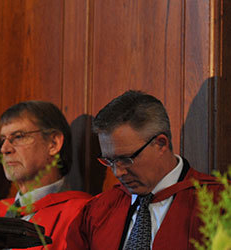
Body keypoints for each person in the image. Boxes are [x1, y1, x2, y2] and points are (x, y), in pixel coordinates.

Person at [66, 90, 221, 249]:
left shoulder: (219, 202)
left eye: (126, 159)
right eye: (109, 161)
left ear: (161, 144)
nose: (117, 172)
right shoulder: (98, 211)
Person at [0, 101, 90, 249]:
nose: (4, 149)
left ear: (53, 143)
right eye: (2, 140)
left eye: (18, 136)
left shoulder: (82, 213)